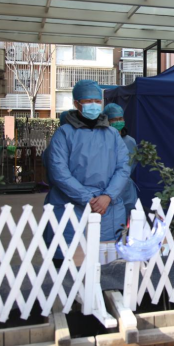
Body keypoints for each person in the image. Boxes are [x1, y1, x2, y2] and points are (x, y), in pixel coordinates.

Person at [44, 80, 129, 253]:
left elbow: (123, 167)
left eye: (97, 101)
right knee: (71, 260)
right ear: (76, 104)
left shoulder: (113, 135)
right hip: (73, 205)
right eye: (89, 101)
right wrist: (87, 198)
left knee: (109, 262)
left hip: (108, 207)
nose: (94, 105)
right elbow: (59, 172)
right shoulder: (64, 134)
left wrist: (108, 196)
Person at [103, 103, 139, 219]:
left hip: (126, 189)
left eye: (120, 118)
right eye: (114, 119)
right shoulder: (102, 140)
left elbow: (130, 166)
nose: (118, 122)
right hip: (106, 187)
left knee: (129, 220)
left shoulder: (129, 141)